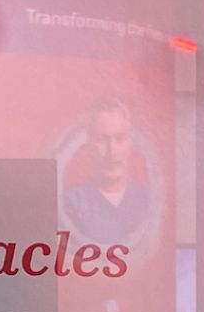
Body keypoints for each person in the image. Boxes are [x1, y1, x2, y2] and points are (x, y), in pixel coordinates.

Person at [60, 99, 152, 245]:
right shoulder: (71, 204)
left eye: (120, 139)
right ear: (89, 145)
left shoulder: (149, 199)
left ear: (130, 144)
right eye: (102, 140)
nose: (112, 151)